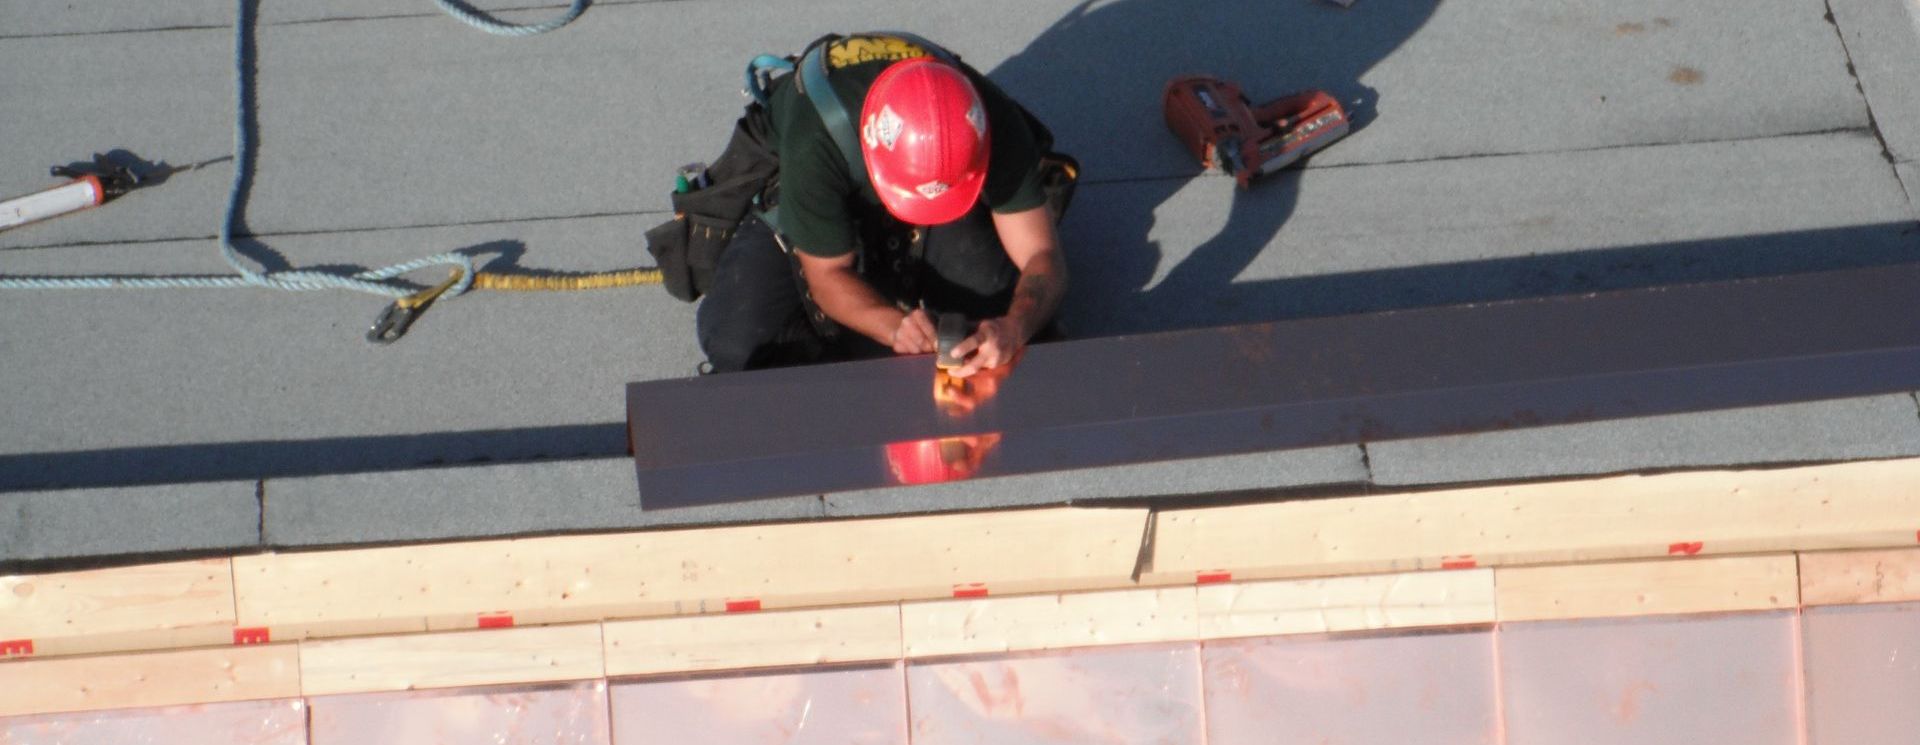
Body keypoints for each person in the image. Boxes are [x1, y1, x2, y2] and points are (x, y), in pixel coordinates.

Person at [695, 33, 1073, 378]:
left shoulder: (993, 122)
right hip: (827, 175)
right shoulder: (815, 141)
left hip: (937, 181)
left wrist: (1014, 327)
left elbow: (1041, 254)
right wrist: (893, 327)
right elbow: (827, 275)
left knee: (1011, 311)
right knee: (736, 343)